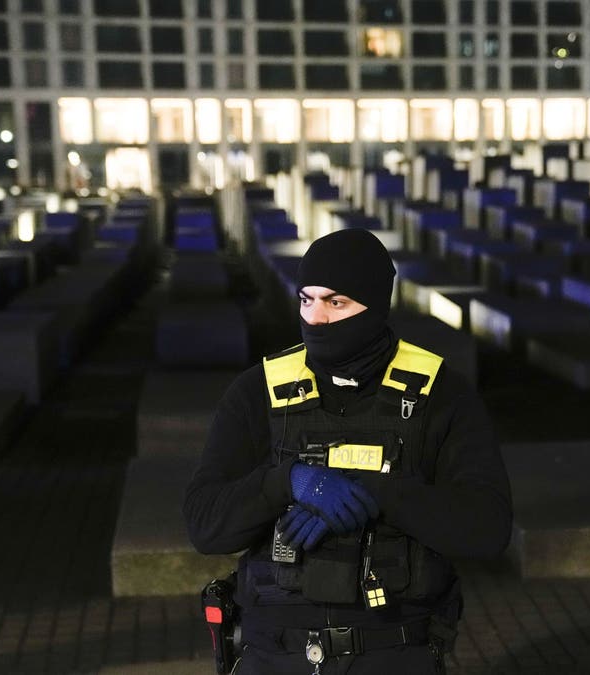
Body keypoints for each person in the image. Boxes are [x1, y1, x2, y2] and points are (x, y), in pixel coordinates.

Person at [184, 228, 512, 674]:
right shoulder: (256, 392)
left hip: (394, 652)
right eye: (306, 299)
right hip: (274, 654)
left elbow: (488, 529)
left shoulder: (440, 396)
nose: (315, 318)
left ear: (375, 306)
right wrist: (289, 482)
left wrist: (379, 495)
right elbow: (205, 526)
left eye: (335, 302)